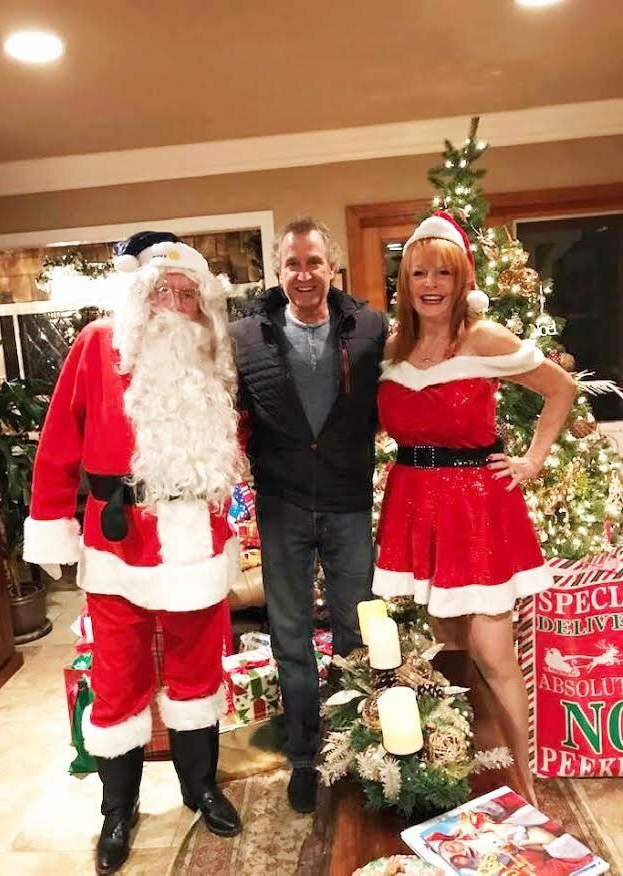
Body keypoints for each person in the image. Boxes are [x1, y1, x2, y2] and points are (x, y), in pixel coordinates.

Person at [23, 231, 242, 874]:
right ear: (139, 295)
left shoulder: (213, 353)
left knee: (198, 670)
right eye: (162, 290)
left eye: (188, 293)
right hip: (117, 536)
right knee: (118, 678)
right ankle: (118, 811)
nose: (175, 302)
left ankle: (201, 787)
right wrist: (50, 522)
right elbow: (60, 440)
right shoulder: (98, 344)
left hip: (195, 535)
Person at [373, 211, 575, 805]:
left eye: (443, 272)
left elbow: (560, 388)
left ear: (463, 281)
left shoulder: (484, 338)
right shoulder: (392, 348)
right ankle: (473, 772)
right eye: (418, 274)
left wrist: (533, 460)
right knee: (450, 650)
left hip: (476, 508)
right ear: (404, 283)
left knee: (492, 651)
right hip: (415, 502)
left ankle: (524, 784)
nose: (430, 283)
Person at [230, 216, 387, 813]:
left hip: (348, 504)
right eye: (293, 263)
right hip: (282, 507)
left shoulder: (370, 326)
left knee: (354, 633)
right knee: (290, 638)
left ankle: (351, 747)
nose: (304, 274)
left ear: (332, 267)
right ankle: (303, 757)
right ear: (279, 270)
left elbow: (394, 395)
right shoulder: (246, 336)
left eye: (314, 262)